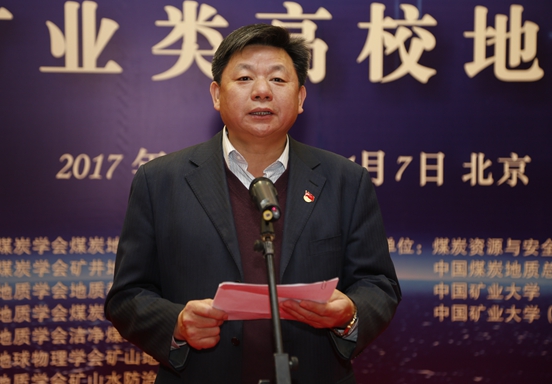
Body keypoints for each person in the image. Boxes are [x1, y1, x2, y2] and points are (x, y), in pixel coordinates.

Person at [105, 24, 401, 384]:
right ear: (217, 94)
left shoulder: (345, 181)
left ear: (301, 97)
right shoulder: (160, 180)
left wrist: (350, 314)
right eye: (244, 78)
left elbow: (378, 283)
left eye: (278, 79)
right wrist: (177, 324)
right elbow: (127, 295)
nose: (262, 91)